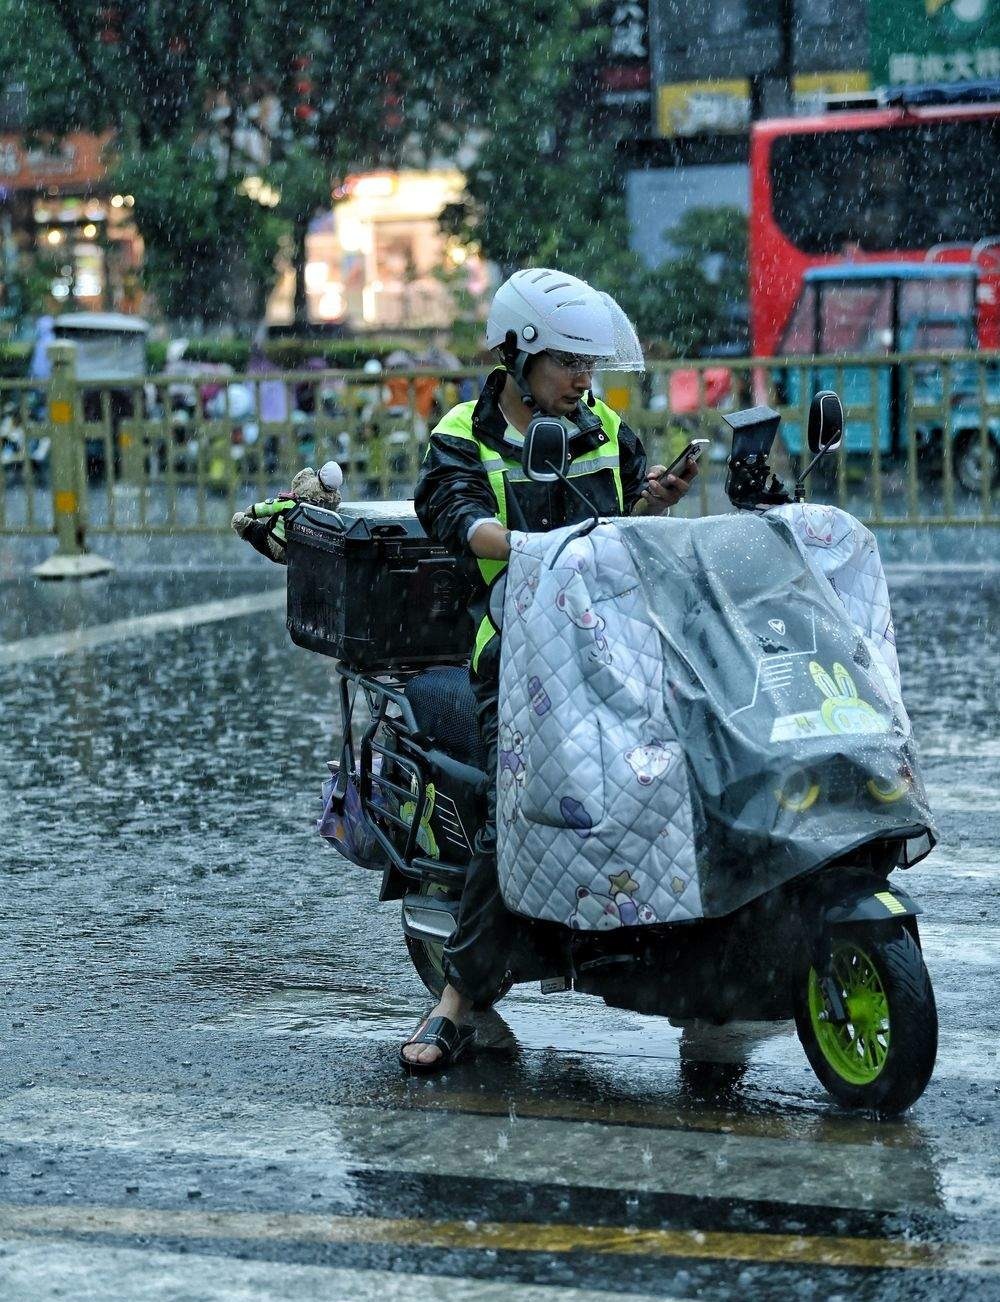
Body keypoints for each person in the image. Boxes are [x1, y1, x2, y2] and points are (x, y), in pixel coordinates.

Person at [402, 268, 699, 1072]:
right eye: (568, 361)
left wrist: (656, 498)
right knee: (519, 810)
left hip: (614, 645)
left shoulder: (603, 426)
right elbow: (454, 515)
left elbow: (623, 518)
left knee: (697, 763)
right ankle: (455, 1001)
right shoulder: (462, 434)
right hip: (517, 650)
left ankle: (701, 981)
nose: (582, 379)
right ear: (520, 355)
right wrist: (524, 545)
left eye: (588, 362)